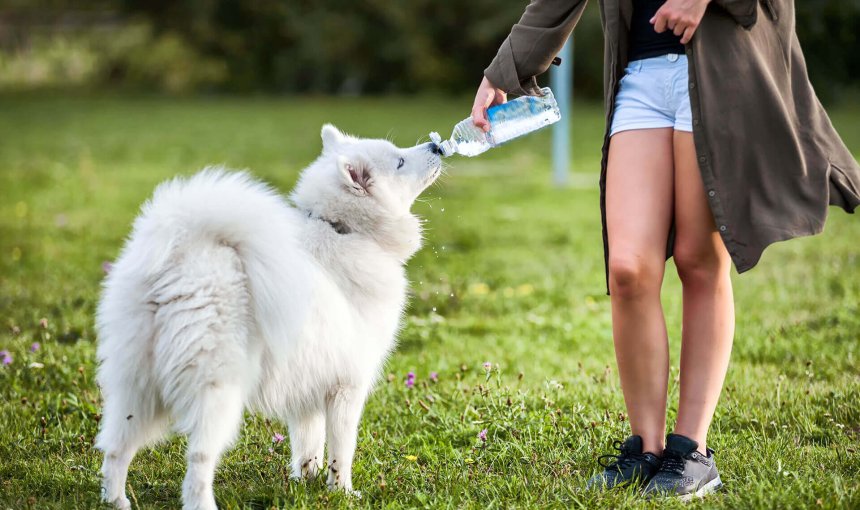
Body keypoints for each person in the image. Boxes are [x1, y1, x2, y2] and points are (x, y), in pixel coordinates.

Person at [471, 0, 860, 499]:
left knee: (700, 259)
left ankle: (691, 451)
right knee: (628, 268)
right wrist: (503, 70)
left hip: (720, 68)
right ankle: (645, 448)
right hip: (641, 74)